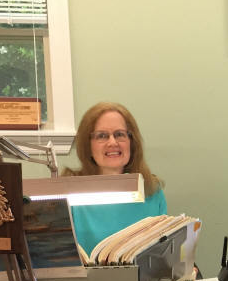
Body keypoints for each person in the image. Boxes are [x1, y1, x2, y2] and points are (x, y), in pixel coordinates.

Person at [63, 102, 167, 256]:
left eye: (119, 134)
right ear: (88, 145)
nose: (112, 142)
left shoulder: (152, 189)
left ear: (132, 142)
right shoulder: (68, 191)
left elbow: (164, 250)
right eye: (102, 136)